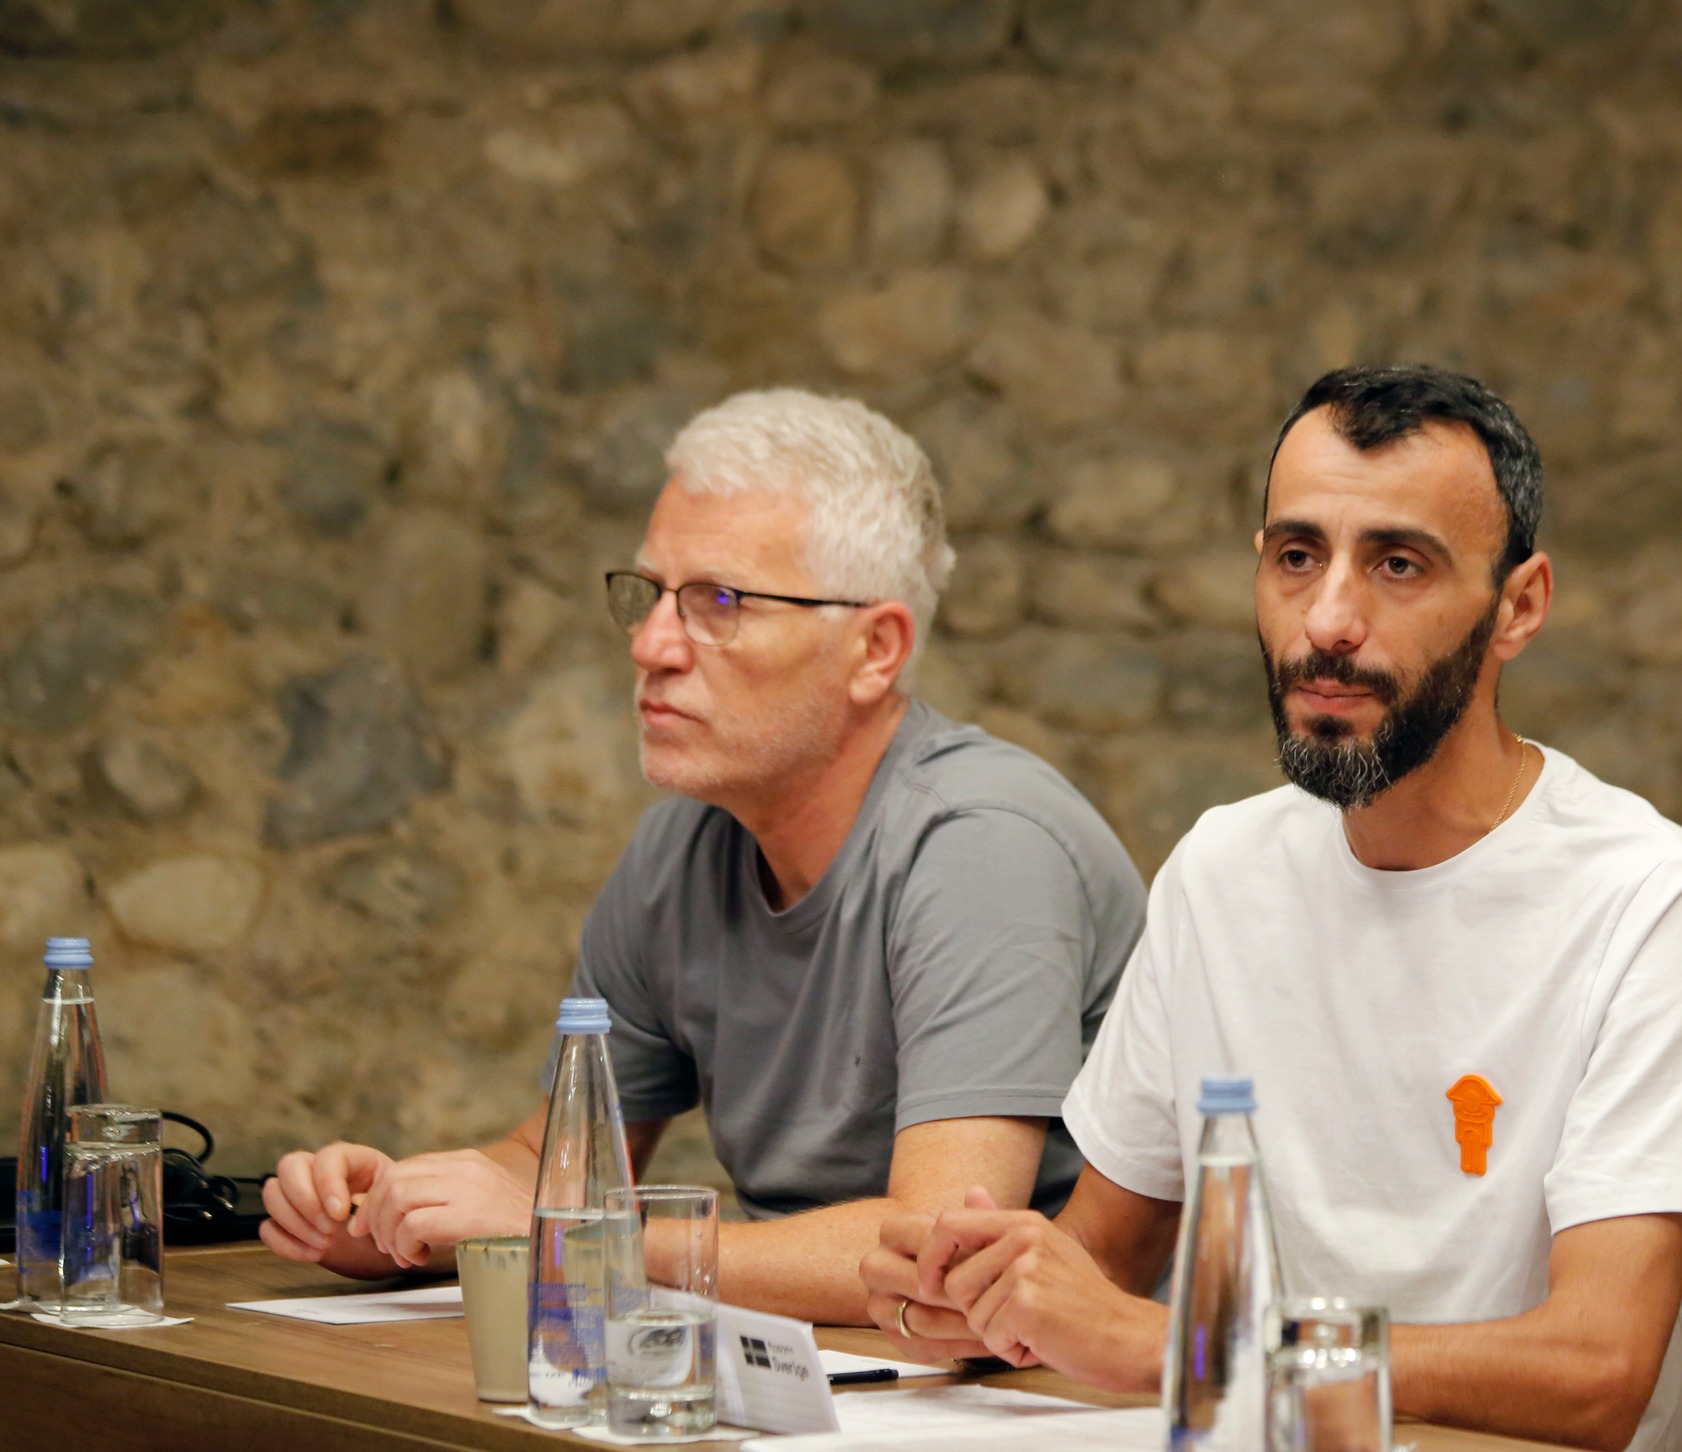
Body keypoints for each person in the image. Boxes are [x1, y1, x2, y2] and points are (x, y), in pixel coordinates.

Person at [860, 366, 1682, 1452]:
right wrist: (982, 1291)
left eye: (1398, 564)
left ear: (1518, 606)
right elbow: (1100, 1259)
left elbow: (1595, 1372)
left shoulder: (1658, 902)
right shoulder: (1218, 870)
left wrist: (1191, 1351)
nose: (1328, 620)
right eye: (1297, 557)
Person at [261, 389, 1147, 1324]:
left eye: (718, 602)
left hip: (1036, 1380)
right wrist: (389, 1215)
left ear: (874, 649)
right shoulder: (679, 849)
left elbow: (936, 1248)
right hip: (822, 1365)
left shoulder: (983, 844)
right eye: (648, 595)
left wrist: (576, 1235)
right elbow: (548, 1170)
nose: (651, 646)